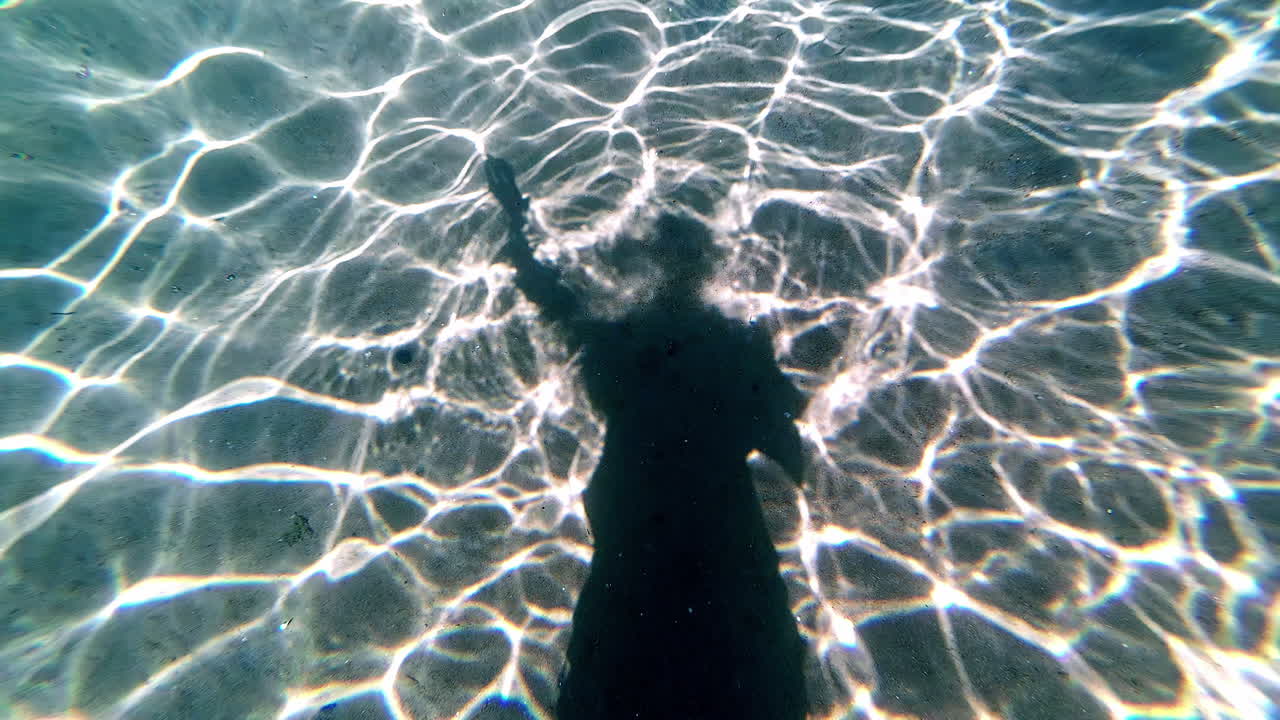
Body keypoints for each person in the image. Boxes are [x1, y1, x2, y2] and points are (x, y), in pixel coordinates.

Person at [485, 156, 810, 719]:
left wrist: (515, 219)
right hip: (720, 526)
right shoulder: (735, 344)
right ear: (707, 267)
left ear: (650, 268)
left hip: (634, 519)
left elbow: (544, 290)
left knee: (618, 664)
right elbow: (788, 441)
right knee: (744, 673)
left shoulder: (622, 338)